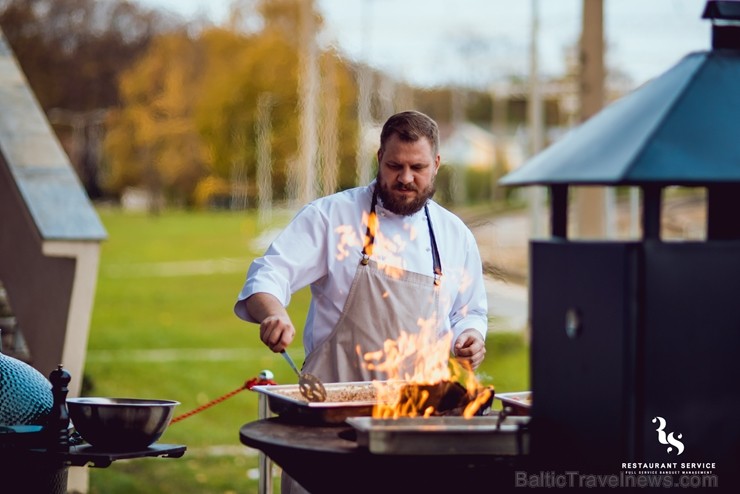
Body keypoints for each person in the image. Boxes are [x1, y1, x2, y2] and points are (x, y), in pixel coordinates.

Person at [234, 110, 487, 384]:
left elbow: (469, 312)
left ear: (436, 164)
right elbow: (269, 273)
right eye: (394, 165)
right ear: (379, 158)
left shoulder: (455, 235)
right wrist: (273, 314)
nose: (405, 178)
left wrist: (470, 335)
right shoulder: (331, 216)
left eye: (417, 168)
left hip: (419, 411)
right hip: (332, 404)